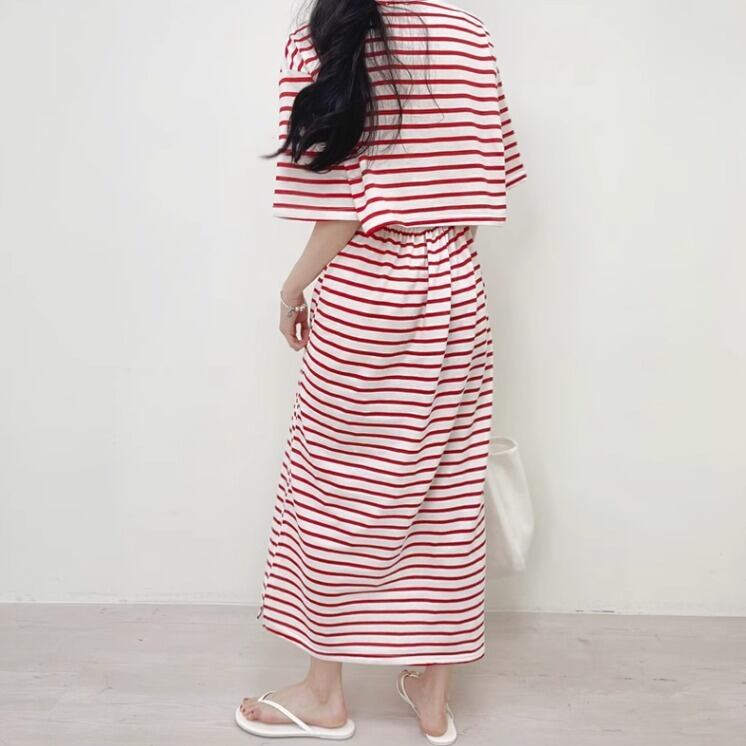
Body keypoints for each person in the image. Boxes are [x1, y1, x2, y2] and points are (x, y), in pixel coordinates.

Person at [236, 0, 526, 741]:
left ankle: (324, 693)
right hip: (457, 290)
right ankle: (433, 695)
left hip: (368, 295)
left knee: (333, 487)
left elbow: (340, 206)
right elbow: (487, 172)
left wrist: (291, 288)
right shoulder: (469, 33)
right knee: (447, 485)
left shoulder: (324, 36)